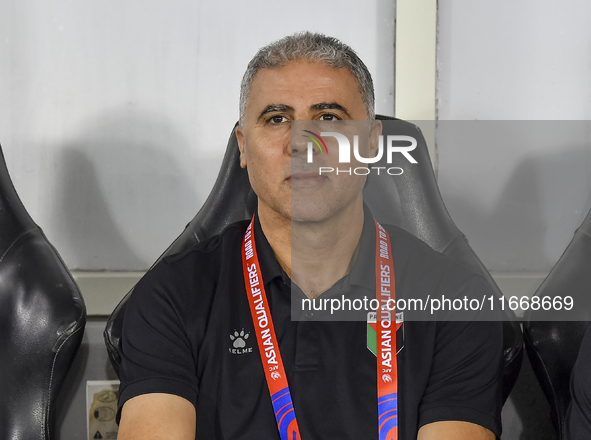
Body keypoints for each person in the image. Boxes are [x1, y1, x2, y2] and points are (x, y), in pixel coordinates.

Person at [116, 32, 503, 439]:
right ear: (244, 148)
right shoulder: (173, 294)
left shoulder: (456, 302)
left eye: (329, 118)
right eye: (277, 118)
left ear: (370, 145)